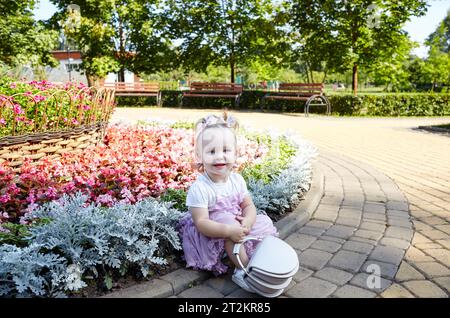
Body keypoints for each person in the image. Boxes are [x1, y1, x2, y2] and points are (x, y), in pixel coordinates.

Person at [178, 112, 278, 292]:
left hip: (235, 223)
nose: (219, 157)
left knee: (263, 222)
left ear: (235, 153)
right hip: (213, 229)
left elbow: (248, 205)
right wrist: (229, 230)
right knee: (230, 226)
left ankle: (259, 258)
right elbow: (201, 223)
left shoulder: (237, 180)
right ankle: (245, 271)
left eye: (225, 150)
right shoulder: (200, 188)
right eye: (211, 151)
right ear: (199, 156)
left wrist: (247, 220)